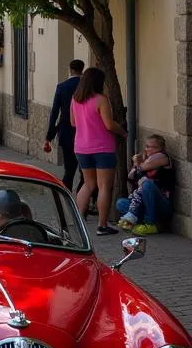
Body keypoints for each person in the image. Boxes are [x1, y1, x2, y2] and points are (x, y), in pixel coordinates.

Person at [71, 66, 126, 235]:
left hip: (81, 147)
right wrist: (123, 132)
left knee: (88, 184)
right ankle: (102, 225)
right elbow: (109, 124)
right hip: (102, 147)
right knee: (104, 187)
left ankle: (79, 220)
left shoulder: (75, 99)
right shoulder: (101, 99)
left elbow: (73, 123)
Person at [117, 135, 174, 234]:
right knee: (121, 203)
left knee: (147, 184)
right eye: (147, 146)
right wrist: (137, 164)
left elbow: (143, 168)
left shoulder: (163, 156)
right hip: (144, 203)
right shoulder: (146, 159)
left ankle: (150, 223)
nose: (149, 149)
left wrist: (137, 163)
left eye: (153, 147)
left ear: (162, 148)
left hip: (161, 204)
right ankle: (138, 221)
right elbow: (131, 177)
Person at [43, 59, 84, 192]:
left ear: (70, 70)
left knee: (69, 169)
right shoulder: (87, 87)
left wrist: (49, 137)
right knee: (86, 171)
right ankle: (83, 197)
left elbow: (55, 112)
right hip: (85, 132)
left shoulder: (62, 87)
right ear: (82, 69)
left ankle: (67, 196)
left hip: (66, 132)